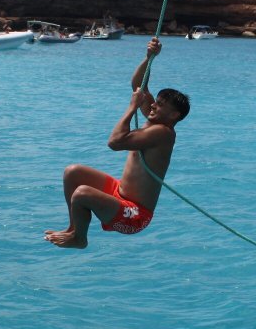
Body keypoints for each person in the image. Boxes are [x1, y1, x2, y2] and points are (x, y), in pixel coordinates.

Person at [45, 37, 190, 249]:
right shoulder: (154, 120)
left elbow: (114, 142)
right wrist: (149, 57)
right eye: (156, 102)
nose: (153, 106)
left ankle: (80, 239)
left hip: (135, 214)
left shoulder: (163, 133)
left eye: (160, 105)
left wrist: (132, 108)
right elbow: (138, 85)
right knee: (72, 172)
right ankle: (73, 229)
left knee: (82, 193)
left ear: (174, 115)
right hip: (119, 193)